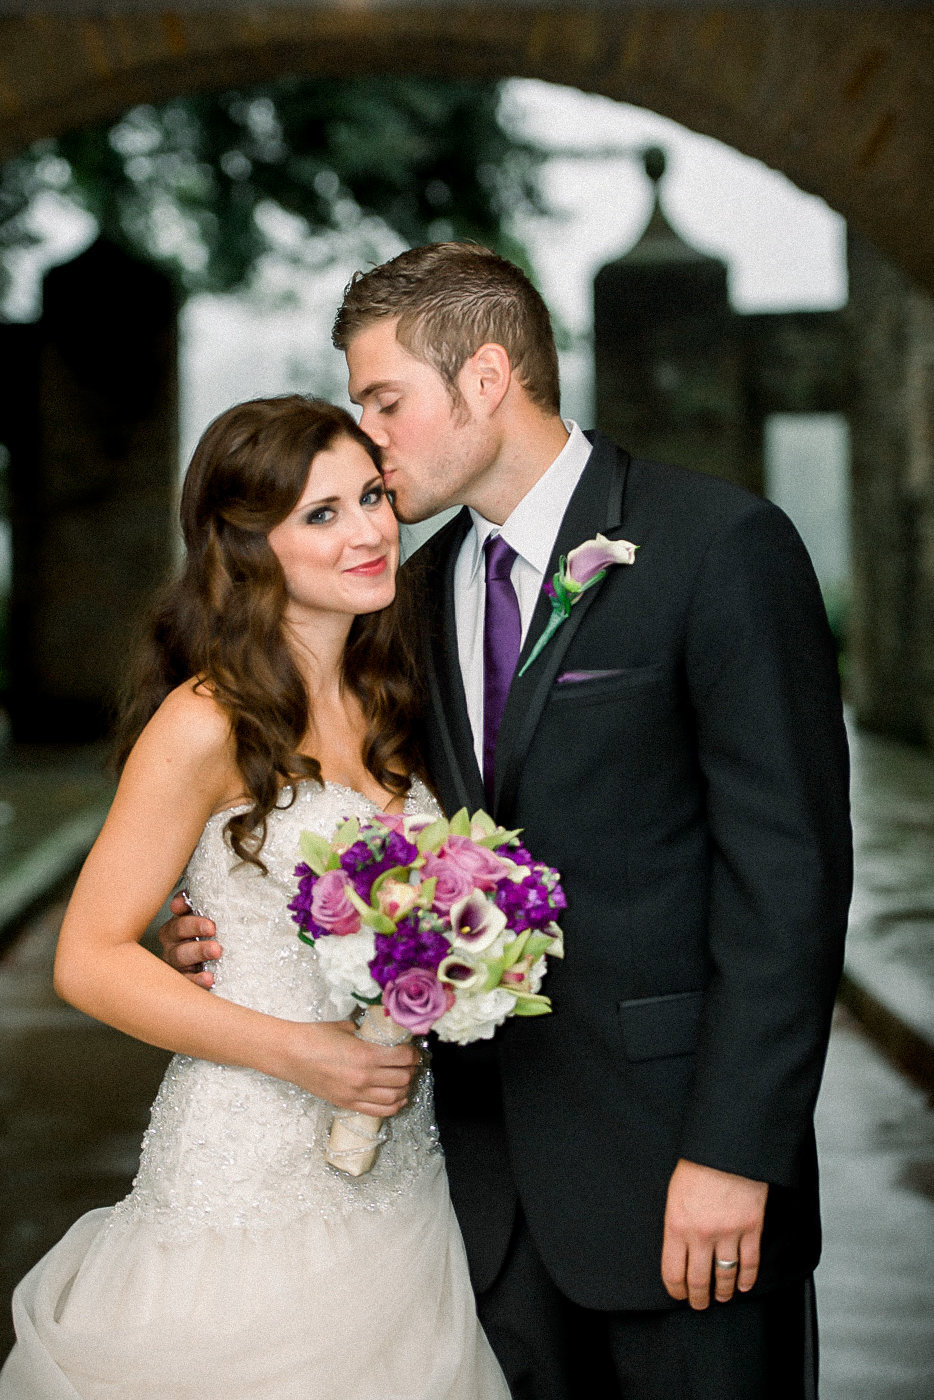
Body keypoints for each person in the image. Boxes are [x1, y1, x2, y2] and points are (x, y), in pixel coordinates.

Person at [162, 244, 853, 1399]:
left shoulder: (715, 546)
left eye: (385, 400)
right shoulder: (414, 595)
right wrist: (217, 925)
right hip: (474, 1199)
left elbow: (789, 880)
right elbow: (366, 822)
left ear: (485, 378)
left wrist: (737, 1149)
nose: (370, 438)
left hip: (681, 1179)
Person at [0, 395, 510, 1400]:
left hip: (405, 1178)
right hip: (248, 1173)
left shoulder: (406, 693)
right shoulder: (204, 720)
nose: (369, 529)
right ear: (249, 545)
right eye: (321, 513)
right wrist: (307, 1052)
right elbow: (87, 954)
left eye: (370, 495)